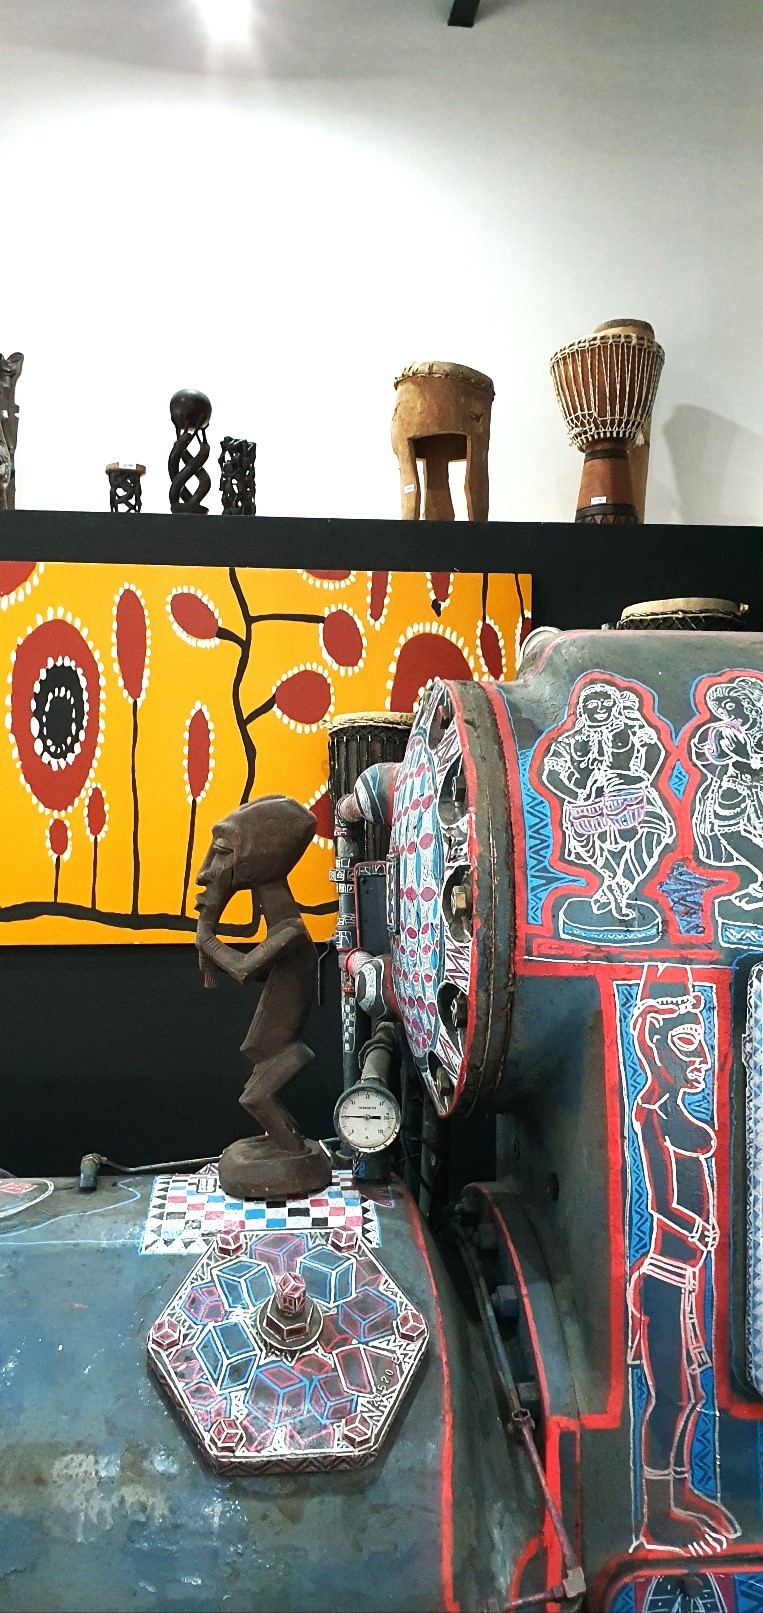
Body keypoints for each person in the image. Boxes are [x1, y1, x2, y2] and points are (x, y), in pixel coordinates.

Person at [626, 962, 739, 1552]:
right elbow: (660, 1200)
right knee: (669, 1396)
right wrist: (698, 1226)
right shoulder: (651, 1112)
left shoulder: (680, 1111)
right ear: (652, 1038)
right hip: (665, 1279)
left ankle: (680, 1490)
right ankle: (655, 1514)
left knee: (691, 1395)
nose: (701, 1057)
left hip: (687, 1280)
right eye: (688, 1042)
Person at [541, 681, 674, 922]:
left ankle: (618, 886)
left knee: (657, 828)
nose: (601, 708)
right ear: (582, 710)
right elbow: (551, 774)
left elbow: (654, 750)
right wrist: (579, 795)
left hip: (631, 796)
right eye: (593, 704)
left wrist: (639, 777)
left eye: (606, 703)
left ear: (615, 705)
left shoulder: (631, 729)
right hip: (587, 806)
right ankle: (615, 883)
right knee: (592, 846)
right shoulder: (568, 741)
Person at [691, 676, 763, 912]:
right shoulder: (727, 732)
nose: (726, 713)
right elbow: (708, 760)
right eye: (721, 709)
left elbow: (754, 764)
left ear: (749, 704)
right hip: (735, 787)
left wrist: (746, 756)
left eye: (731, 705)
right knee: (725, 829)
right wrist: (707, 748)